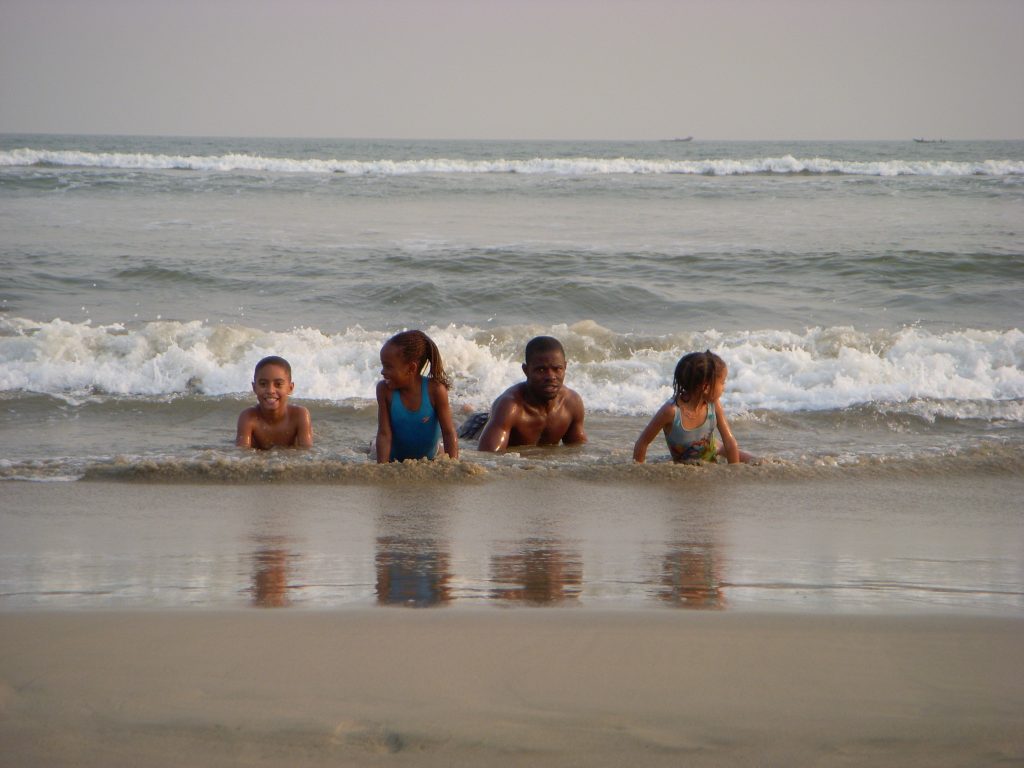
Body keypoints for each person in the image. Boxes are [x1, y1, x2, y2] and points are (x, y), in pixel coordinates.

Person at [469, 336, 587, 453]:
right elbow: (488, 456)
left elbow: (576, 450)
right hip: (476, 428)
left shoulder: (572, 403)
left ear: (565, 367)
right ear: (526, 370)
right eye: (541, 370)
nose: (551, 376)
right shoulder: (510, 406)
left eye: (557, 369)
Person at [633, 350, 753, 464]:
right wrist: (639, 472)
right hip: (688, 462)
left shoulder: (713, 404)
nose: (724, 388)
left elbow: (729, 442)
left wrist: (734, 472)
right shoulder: (671, 411)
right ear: (706, 387)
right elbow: (642, 443)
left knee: (760, 462)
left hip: (717, 450)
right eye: (722, 383)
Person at [375, 330, 459, 463]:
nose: (383, 371)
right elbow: (384, 434)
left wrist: (454, 465)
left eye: (388, 366)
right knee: (373, 448)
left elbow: (448, 432)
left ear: (411, 368)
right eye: (383, 365)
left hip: (431, 456)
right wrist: (381, 467)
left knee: (441, 453)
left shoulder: (435, 390)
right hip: (394, 458)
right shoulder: (384, 390)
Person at [236, 355, 313, 449]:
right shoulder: (248, 417)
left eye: (278, 384)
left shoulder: (300, 415)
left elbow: (307, 453)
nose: (270, 390)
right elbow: (241, 454)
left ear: (290, 388)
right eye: (263, 384)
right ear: (254, 387)